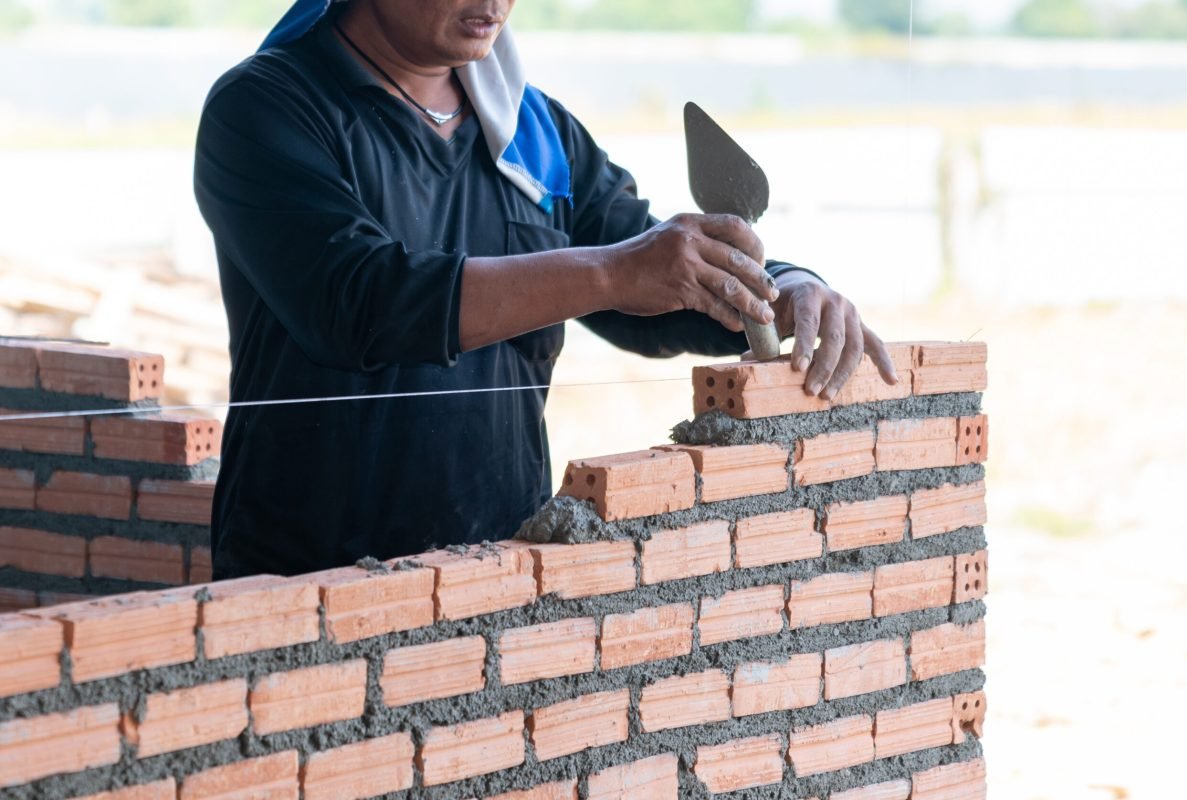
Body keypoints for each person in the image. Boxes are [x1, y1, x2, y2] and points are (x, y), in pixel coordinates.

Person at [194, 0, 897, 580]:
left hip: (495, 570)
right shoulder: (265, 109)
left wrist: (786, 288)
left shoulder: (533, 131)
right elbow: (359, 300)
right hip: (304, 584)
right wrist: (613, 271)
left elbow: (649, 274)